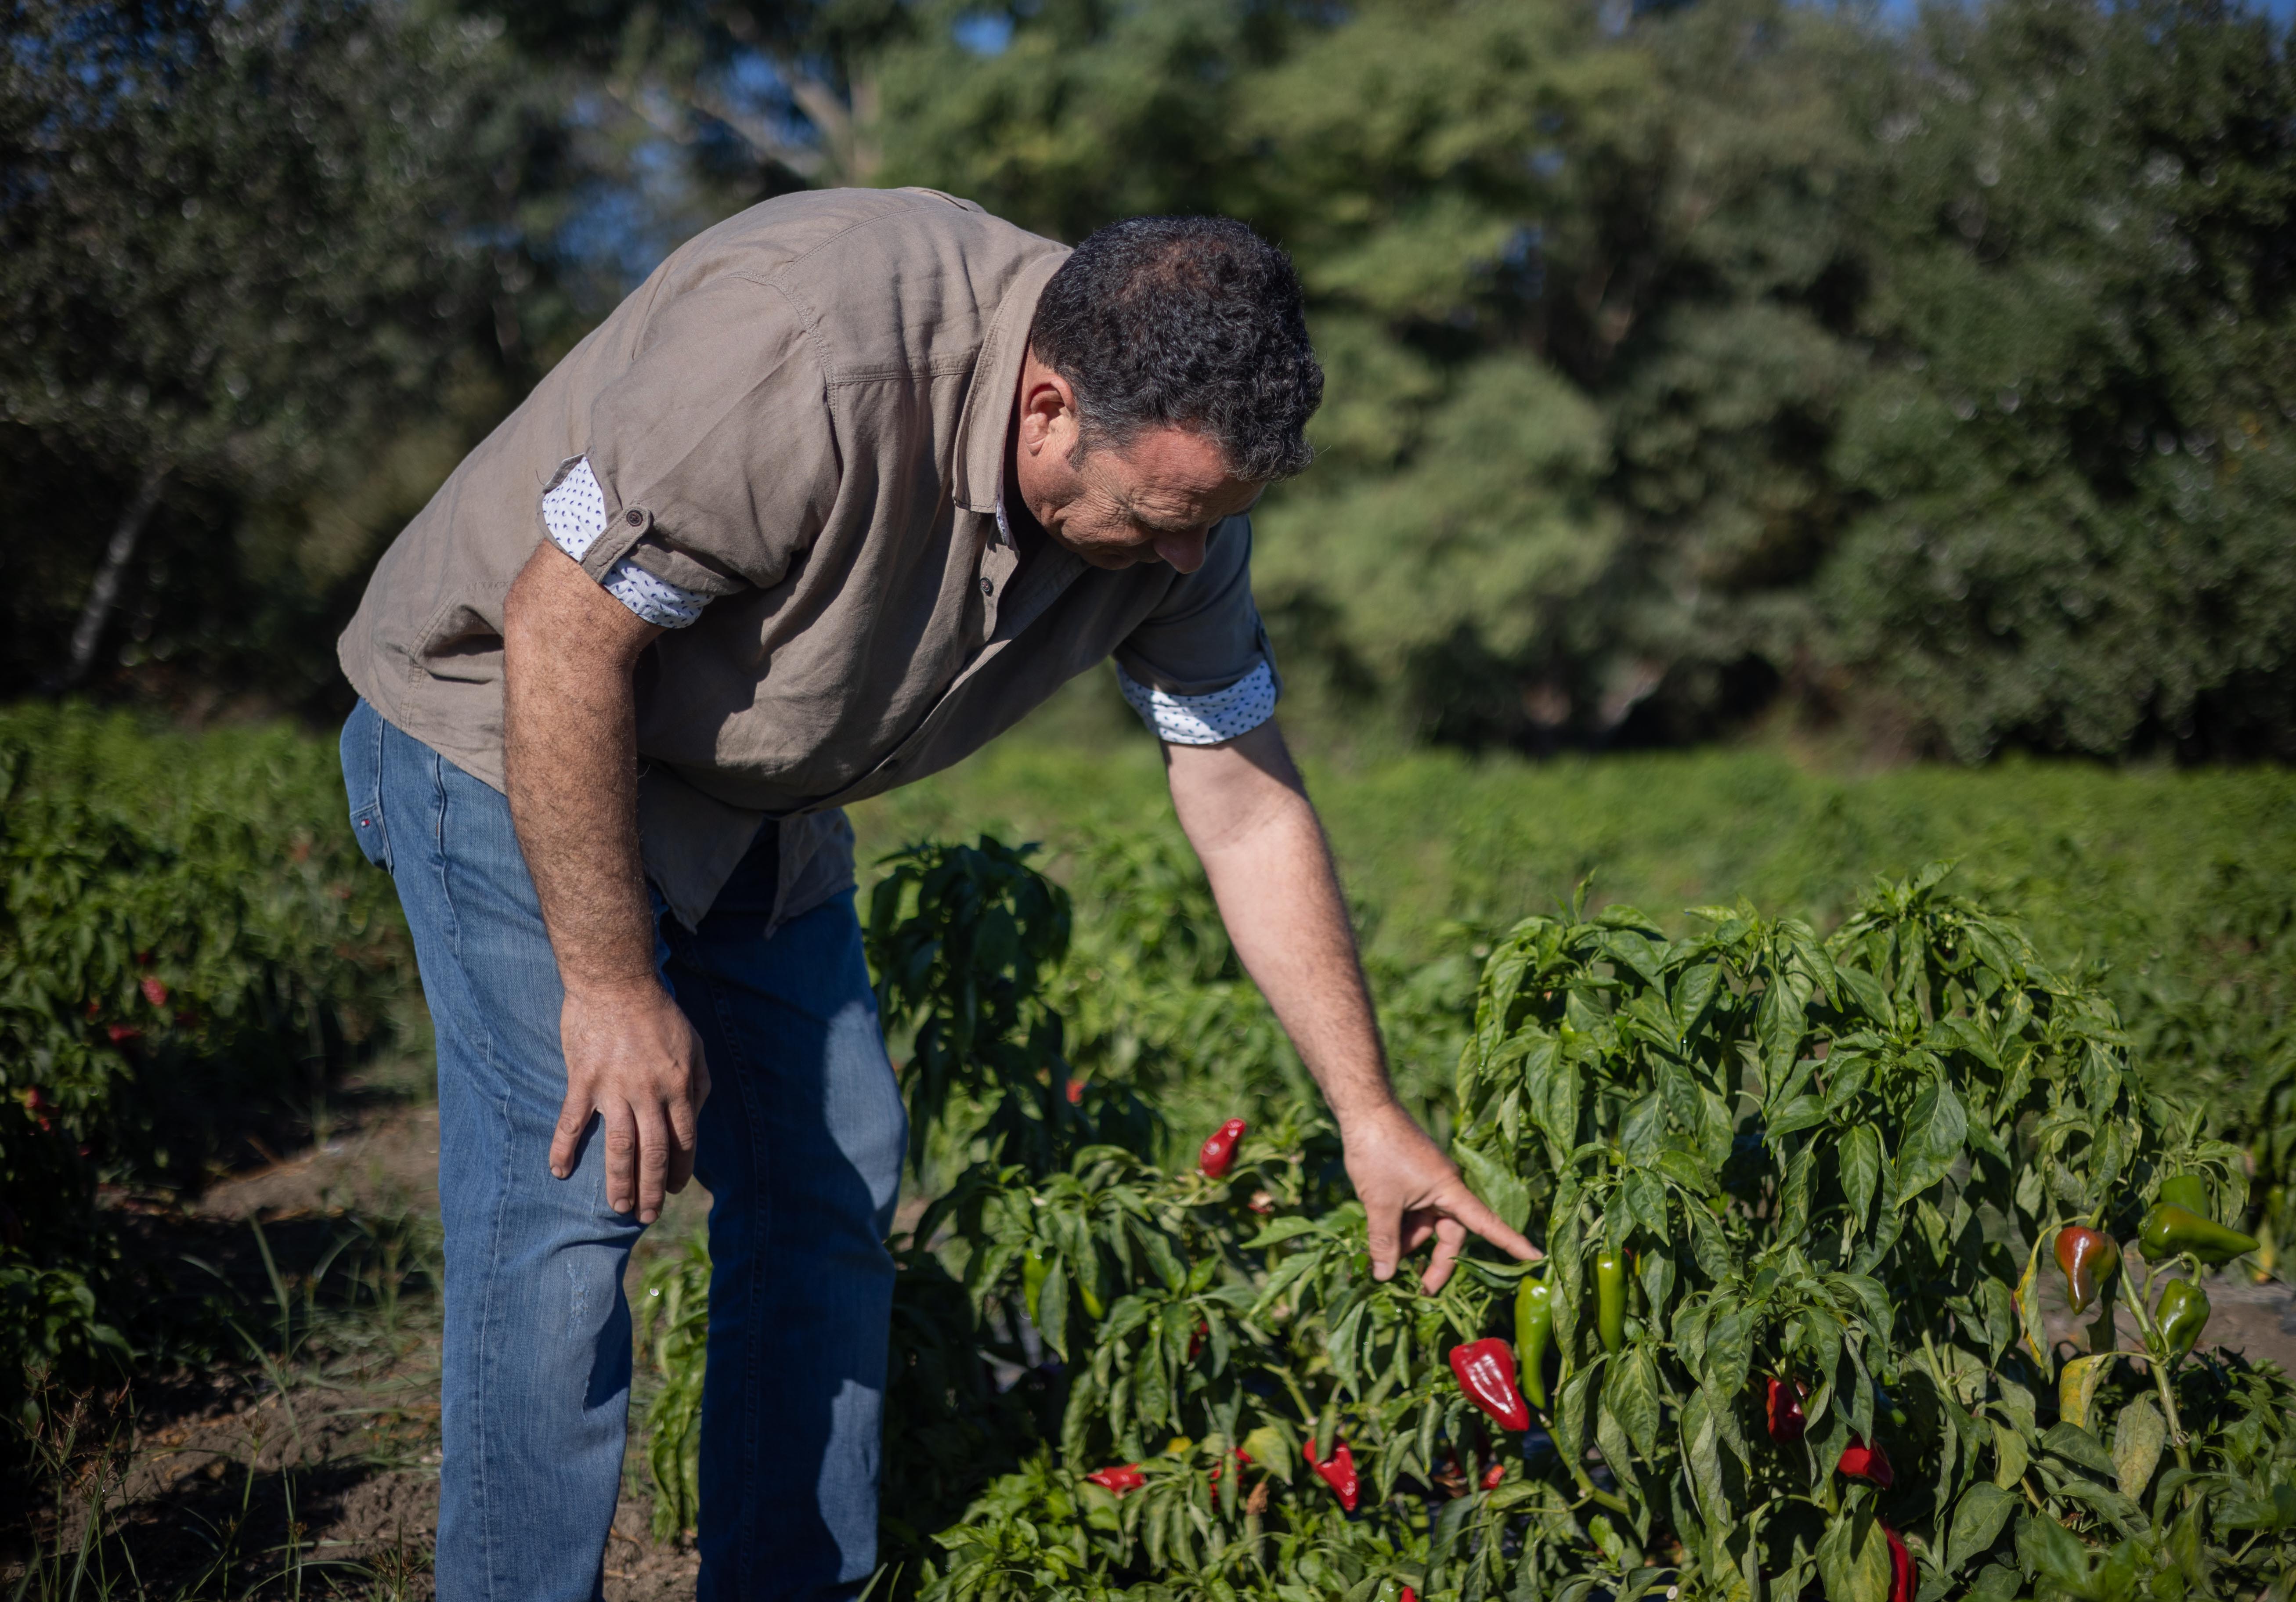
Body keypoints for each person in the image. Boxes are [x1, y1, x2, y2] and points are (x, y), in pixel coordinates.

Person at [333, 188, 1538, 1602]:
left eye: (1212, 524)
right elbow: (559, 630)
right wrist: (610, 986)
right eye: (1158, 518)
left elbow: (1243, 798)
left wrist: (1370, 1112)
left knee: (829, 1174)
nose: (1182, 562)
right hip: (508, 729)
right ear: (1045, 406)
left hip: (749, 788)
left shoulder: (1182, 506)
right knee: (578, 1201)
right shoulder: (808, 352)